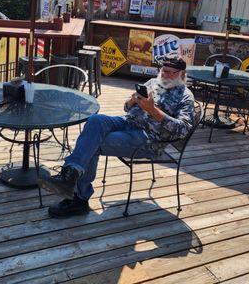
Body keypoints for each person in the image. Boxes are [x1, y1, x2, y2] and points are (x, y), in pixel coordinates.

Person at [38, 54, 195, 218]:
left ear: (182, 75)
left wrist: (153, 111)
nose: (166, 75)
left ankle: (78, 197)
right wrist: (132, 101)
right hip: (128, 122)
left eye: (172, 73)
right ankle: (70, 175)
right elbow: (126, 108)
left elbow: (182, 130)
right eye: (164, 71)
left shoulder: (185, 97)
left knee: (93, 144)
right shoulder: (153, 83)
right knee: (95, 121)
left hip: (149, 139)